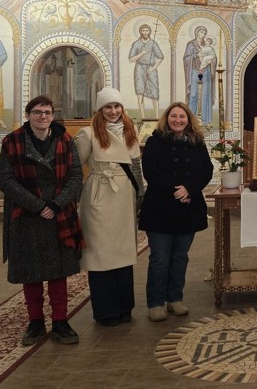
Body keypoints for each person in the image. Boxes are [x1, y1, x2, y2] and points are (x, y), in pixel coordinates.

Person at [0, 95, 84, 346]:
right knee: (31, 274)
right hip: (26, 216)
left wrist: (56, 204)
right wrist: (38, 206)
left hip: (59, 214)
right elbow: (6, 180)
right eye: (37, 112)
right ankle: (35, 322)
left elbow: (76, 175)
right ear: (28, 115)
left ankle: (60, 321)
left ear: (53, 116)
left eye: (47, 112)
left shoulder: (65, 140)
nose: (42, 116)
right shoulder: (12, 141)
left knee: (59, 273)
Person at [138, 102, 213, 321]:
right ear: (167, 118)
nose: (178, 120)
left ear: (188, 120)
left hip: (187, 207)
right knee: (160, 257)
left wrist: (189, 188)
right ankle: (155, 303)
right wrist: (176, 190)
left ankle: (175, 298)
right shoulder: (154, 141)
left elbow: (206, 169)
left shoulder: (197, 142)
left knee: (180, 257)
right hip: (160, 207)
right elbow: (150, 171)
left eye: (182, 117)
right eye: (174, 116)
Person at [75, 88, 143, 326]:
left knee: (123, 253)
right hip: (99, 196)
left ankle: (125, 307)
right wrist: (73, 201)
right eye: (108, 107)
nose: (113, 111)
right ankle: (106, 311)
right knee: (100, 255)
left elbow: (135, 166)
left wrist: (140, 195)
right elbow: (75, 168)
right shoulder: (88, 133)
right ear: (100, 109)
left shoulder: (130, 131)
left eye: (117, 106)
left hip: (124, 197)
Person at [128, 23, 164, 119]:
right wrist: (141, 54)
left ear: (149, 32)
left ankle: (157, 118)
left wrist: (153, 68)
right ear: (140, 32)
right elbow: (131, 59)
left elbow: (160, 57)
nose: (145, 32)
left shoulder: (153, 43)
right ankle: (143, 118)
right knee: (140, 92)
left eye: (147, 31)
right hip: (139, 68)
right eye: (143, 31)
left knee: (154, 93)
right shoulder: (136, 44)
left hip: (151, 68)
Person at [183, 25, 215, 125]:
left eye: (205, 33)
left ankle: (205, 121)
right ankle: (191, 120)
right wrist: (194, 56)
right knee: (193, 94)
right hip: (194, 70)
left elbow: (213, 57)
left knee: (205, 94)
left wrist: (211, 60)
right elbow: (186, 58)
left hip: (206, 70)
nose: (203, 34)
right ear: (197, 33)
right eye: (201, 32)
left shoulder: (207, 45)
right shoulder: (191, 45)